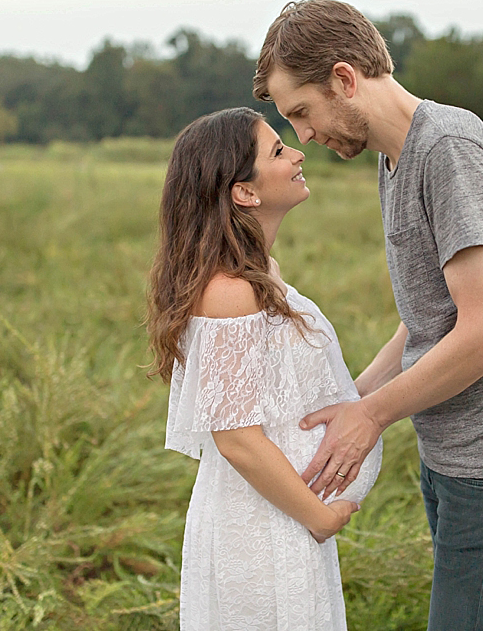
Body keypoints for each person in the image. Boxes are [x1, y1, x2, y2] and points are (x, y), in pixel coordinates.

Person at [254, 0, 483, 629]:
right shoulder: (394, 156)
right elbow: (432, 313)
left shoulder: (448, 153)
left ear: (345, 79)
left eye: (301, 112)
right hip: (454, 445)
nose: (305, 137)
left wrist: (370, 416)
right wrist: (352, 396)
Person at [147, 107, 383, 630]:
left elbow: (298, 397)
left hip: (284, 521)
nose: (298, 152)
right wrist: (320, 517)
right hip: (261, 532)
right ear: (244, 193)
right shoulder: (229, 291)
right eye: (278, 151)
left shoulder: (260, 276)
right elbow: (236, 438)